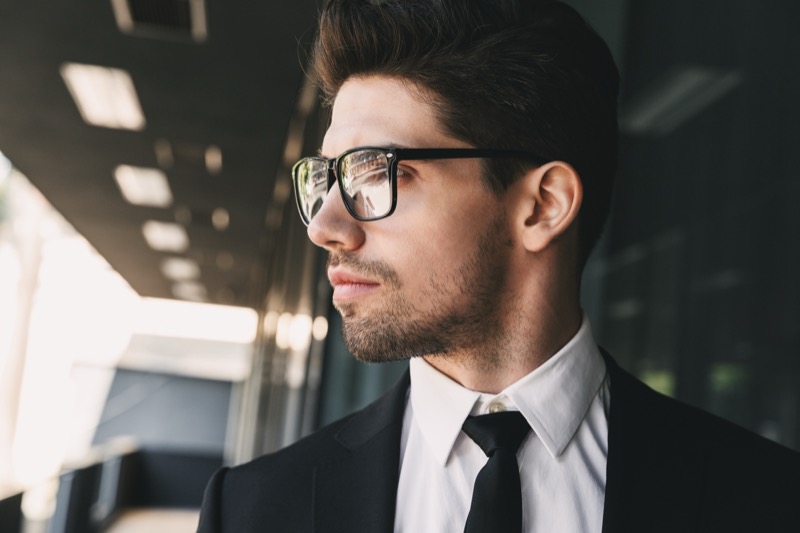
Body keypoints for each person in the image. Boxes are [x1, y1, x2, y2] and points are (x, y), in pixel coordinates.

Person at [197, 0, 800, 531]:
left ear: (542, 206)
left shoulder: (767, 502)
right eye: (327, 178)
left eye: (376, 173)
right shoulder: (251, 509)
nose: (325, 226)